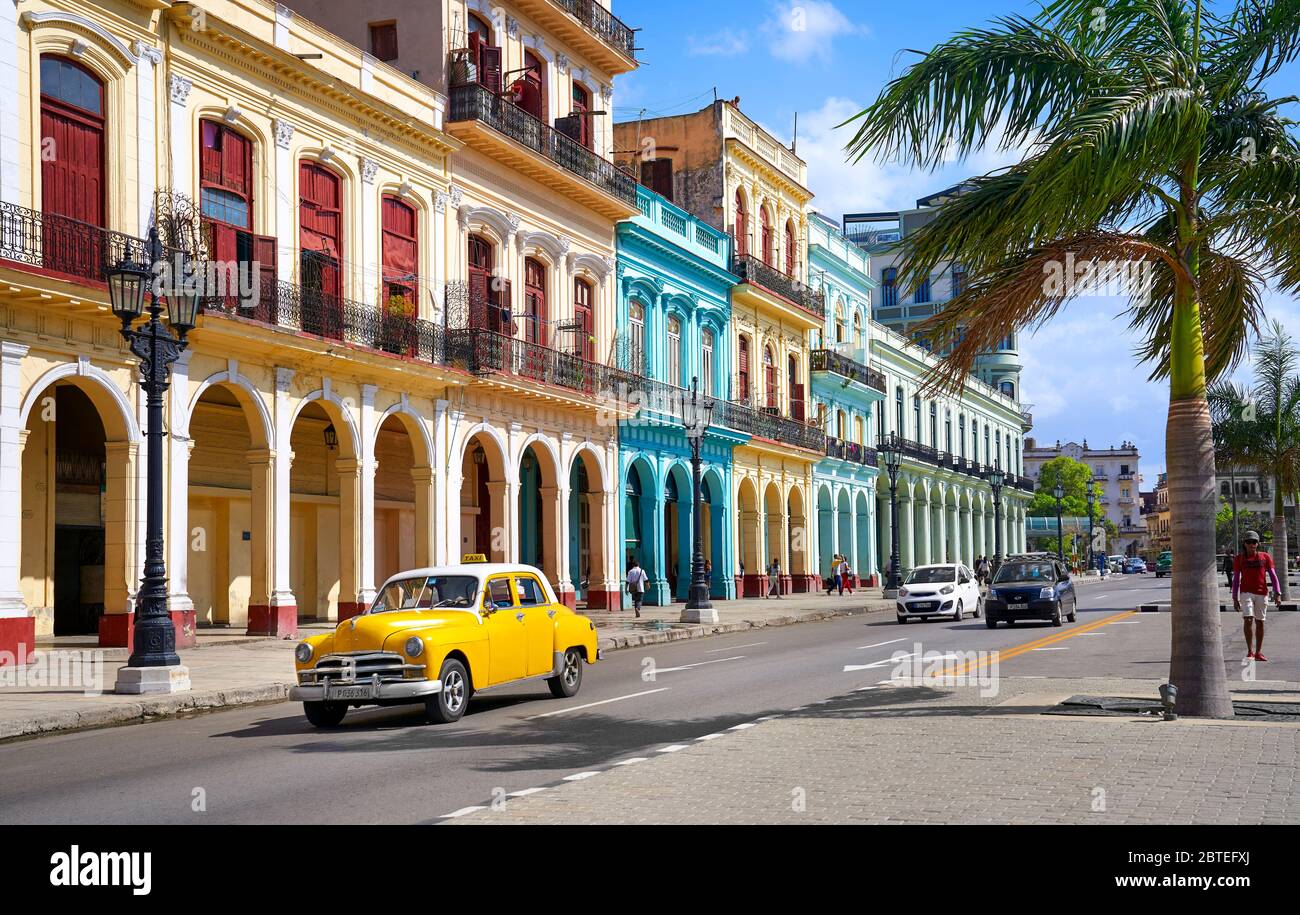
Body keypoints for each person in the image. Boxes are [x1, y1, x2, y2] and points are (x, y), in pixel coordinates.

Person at [1232, 531, 1280, 661]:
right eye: (1249, 542)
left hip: (1262, 592)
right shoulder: (1239, 559)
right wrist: (1235, 598)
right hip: (1246, 592)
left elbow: (1273, 576)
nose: (1252, 544)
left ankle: (1258, 652)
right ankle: (1250, 651)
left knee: (1260, 622)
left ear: (1258, 543)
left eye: (1254, 542)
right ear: (1244, 544)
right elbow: (1236, 580)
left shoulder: (1265, 557)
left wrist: (1278, 593)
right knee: (1248, 619)